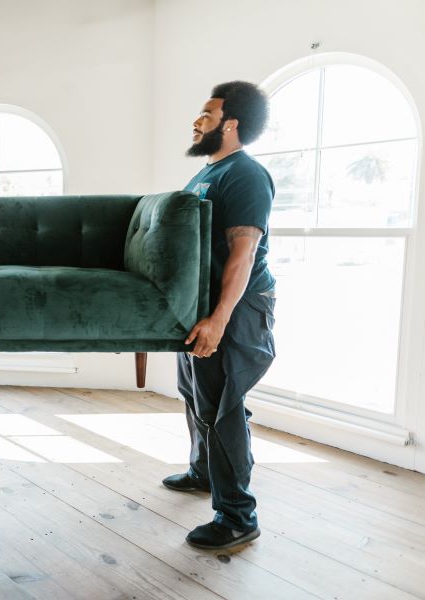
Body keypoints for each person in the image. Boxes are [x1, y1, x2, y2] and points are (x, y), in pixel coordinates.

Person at [162, 81, 276, 550]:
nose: (197, 120)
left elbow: (243, 253)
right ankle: (203, 471)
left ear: (230, 124)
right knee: (195, 393)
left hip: (236, 306)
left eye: (206, 114)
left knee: (223, 404)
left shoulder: (245, 175)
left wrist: (219, 319)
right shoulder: (208, 172)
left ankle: (237, 517)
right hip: (202, 303)